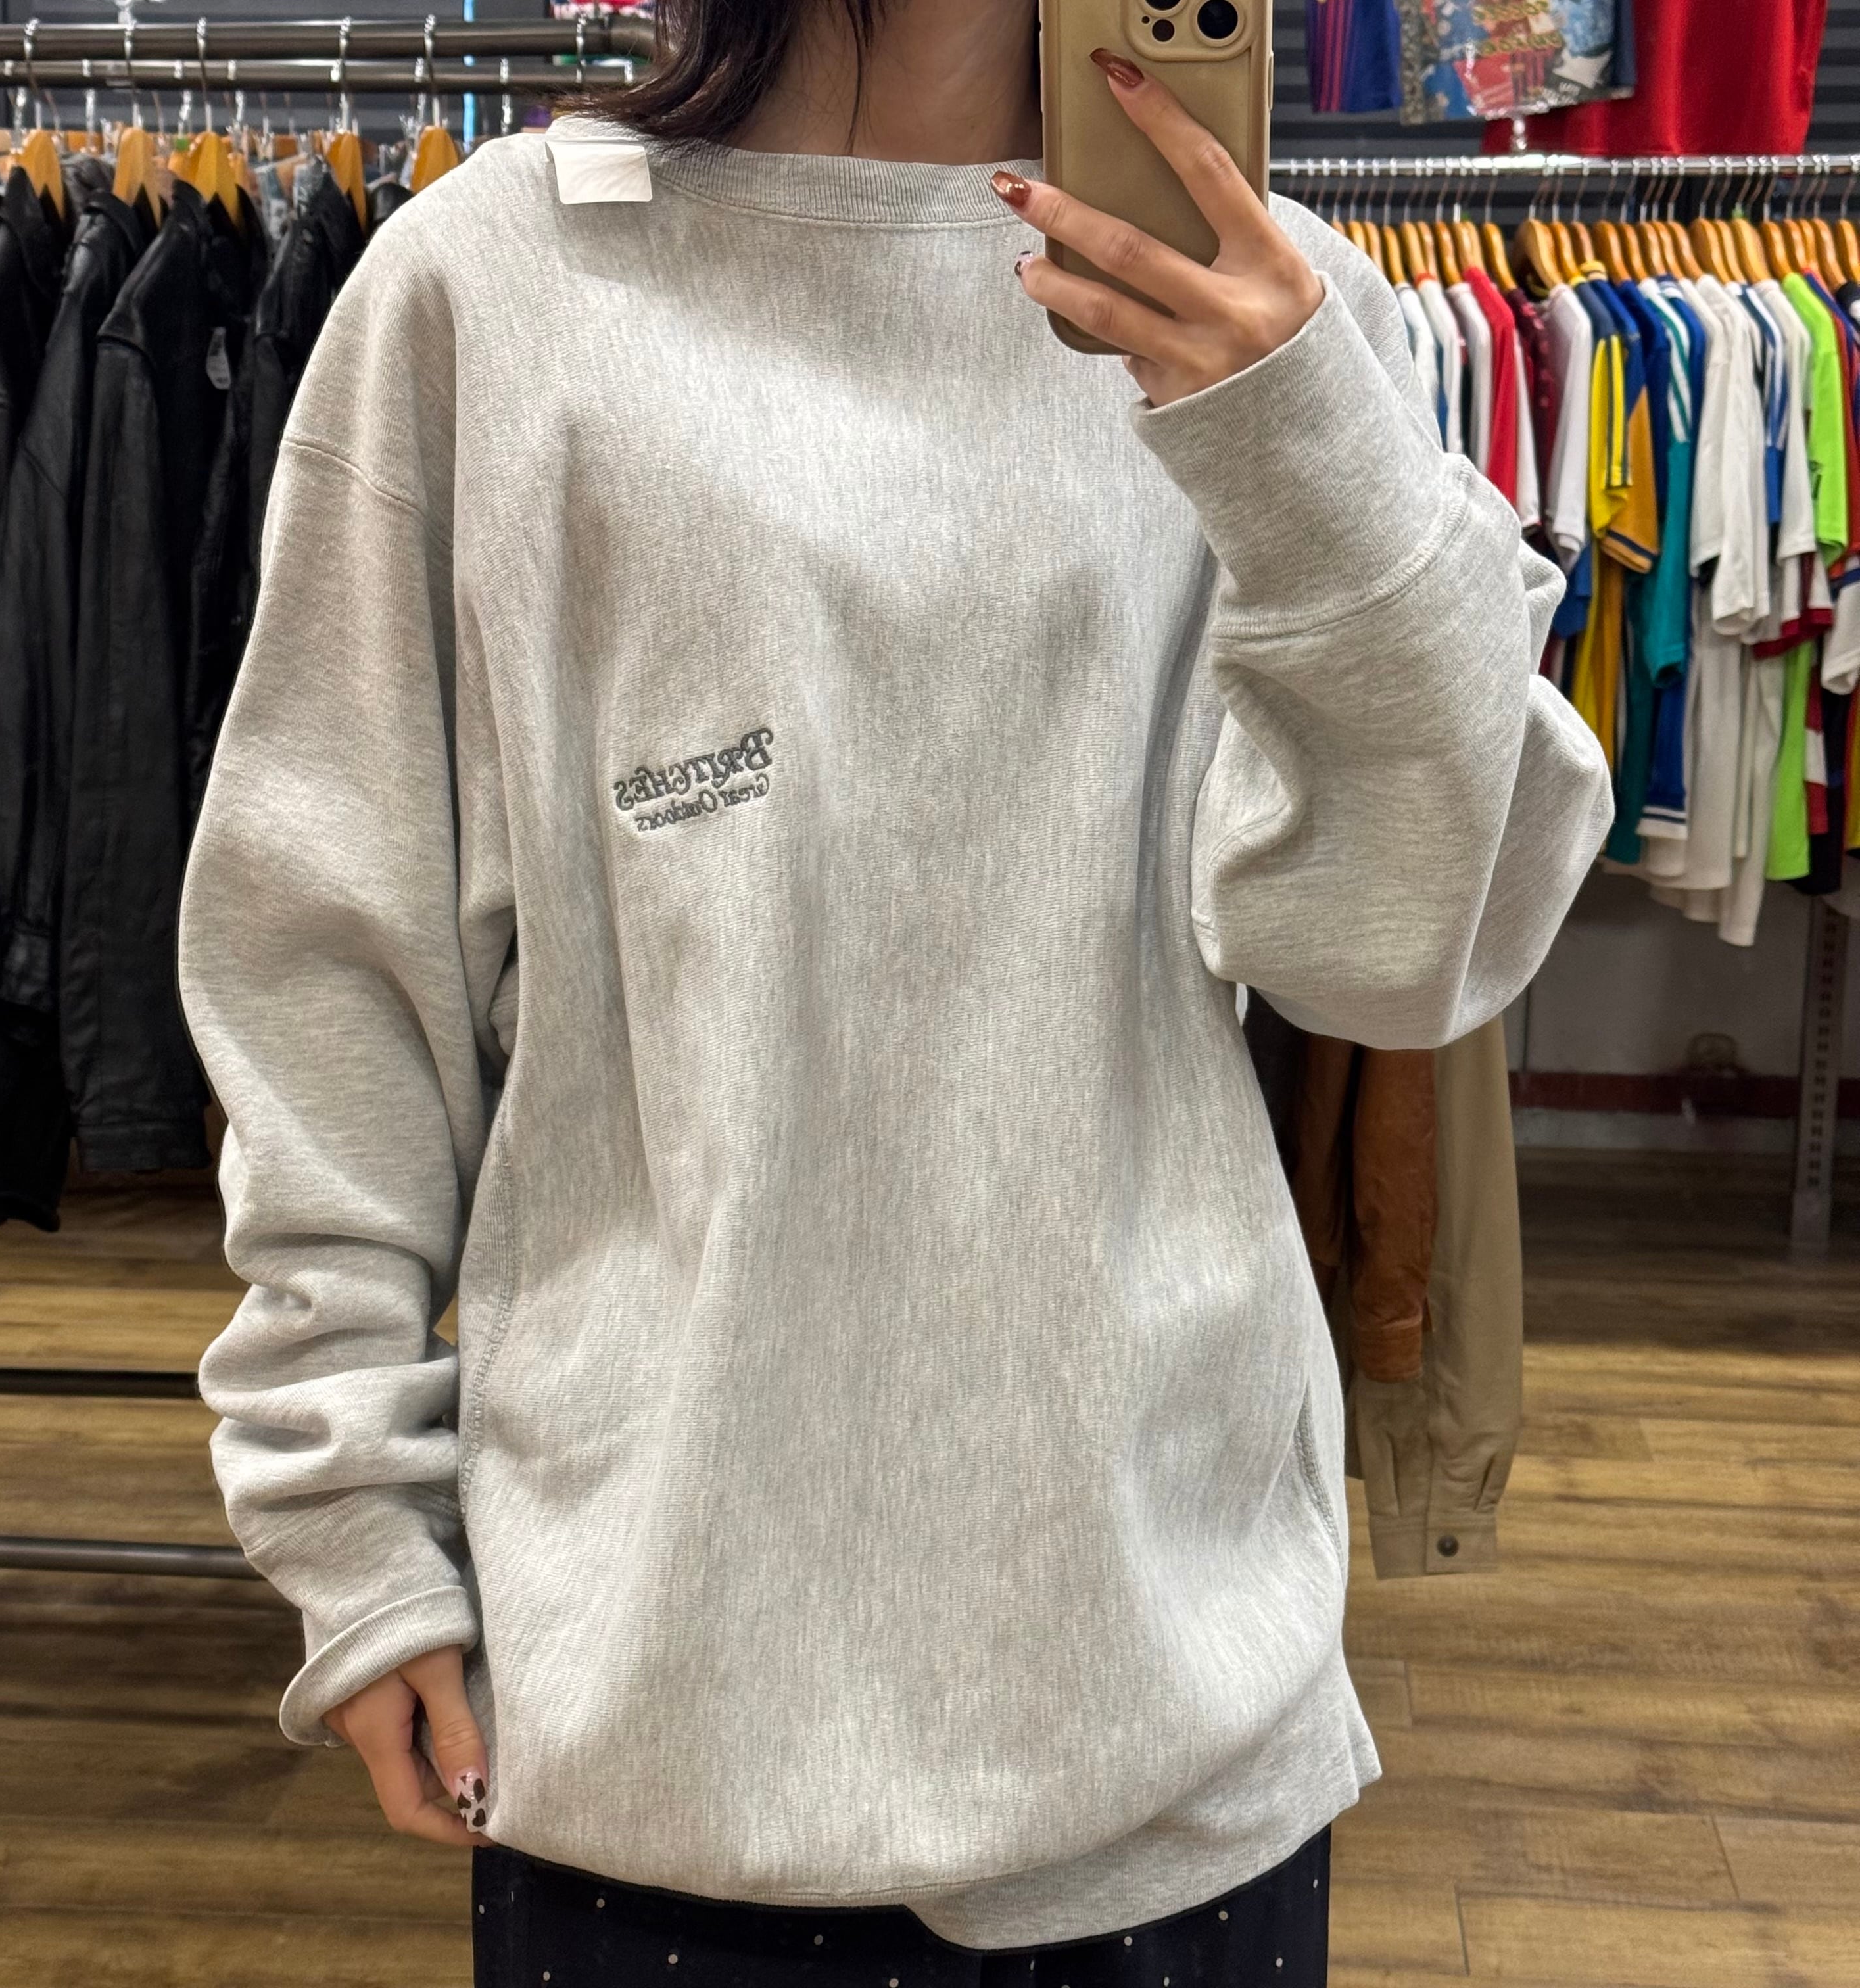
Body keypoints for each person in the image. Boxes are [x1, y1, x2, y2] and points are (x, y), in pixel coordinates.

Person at [176, 1, 1613, 1982]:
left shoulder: (1262, 306)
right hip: (653, 1692)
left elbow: (1413, 942)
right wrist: (345, 1509)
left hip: (1169, 1688)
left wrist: (1310, 458)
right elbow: (328, 956)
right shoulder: (495, 284)